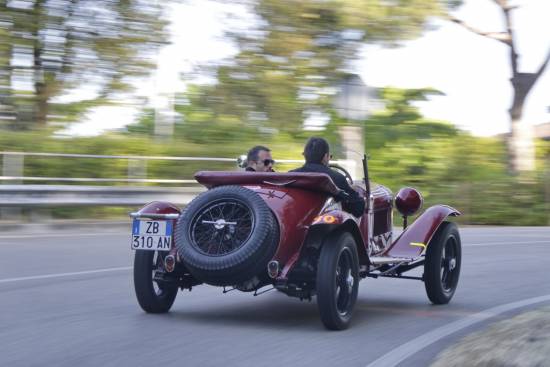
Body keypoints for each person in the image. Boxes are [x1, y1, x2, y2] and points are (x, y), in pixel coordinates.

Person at [291, 137, 365, 217]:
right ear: (325, 156)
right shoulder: (337, 178)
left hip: (295, 219)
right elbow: (358, 209)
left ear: (304, 155)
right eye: (329, 156)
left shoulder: (290, 176)